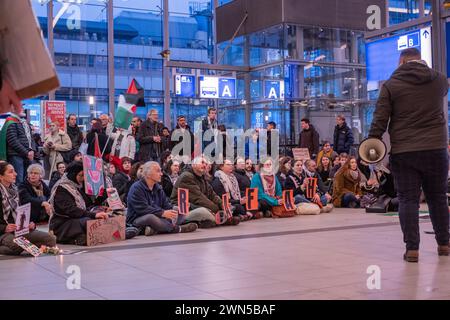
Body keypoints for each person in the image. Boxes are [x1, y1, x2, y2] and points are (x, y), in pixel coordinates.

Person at [368, 48, 449, 262]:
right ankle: (444, 244)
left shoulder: (391, 85)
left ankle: (412, 249)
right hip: (436, 148)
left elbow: (380, 118)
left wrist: (372, 144)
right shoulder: (440, 80)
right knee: (438, 198)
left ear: (401, 61)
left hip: (405, 152)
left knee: (408, 200)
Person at [126, 161, 198, 236]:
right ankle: (178, 229)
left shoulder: (158, 188)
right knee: (150, 218)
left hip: (158, 216)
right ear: (148, 174)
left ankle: (156, 229)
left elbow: (166, 205)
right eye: (158, 171)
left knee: (178, 211)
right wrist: (162, 213)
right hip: (137, 219)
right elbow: (143, 209)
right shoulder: (136, 188)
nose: (161, 174)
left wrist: (178, 208)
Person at [0, 161, 56, 255]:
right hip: (3, 232)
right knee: (18, 246)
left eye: (14, 171)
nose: (16, 174)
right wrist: (4, 228)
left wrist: (28, 223)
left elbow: (22, 212)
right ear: (1, 176)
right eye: (11, 172)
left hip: (18, 229)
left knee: (51, 239)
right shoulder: (22, 186)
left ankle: (26, 245)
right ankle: (22, 245)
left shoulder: (15, 190)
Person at [49, 161, 109, 245]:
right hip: (63, 223)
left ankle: (115, 232)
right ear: (73, 175)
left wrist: (104, 197)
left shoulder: (77, 185)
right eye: (80, 175)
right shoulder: (61, 188)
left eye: (84, 175)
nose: (83, 178)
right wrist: (93, 215)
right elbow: (71, 210)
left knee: (106, 216)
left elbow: (88, 204)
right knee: (88, 221)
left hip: (77, 218)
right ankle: (79, 238)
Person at [171, 156, 240, 227]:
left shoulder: (201, 177)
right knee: (204, 212)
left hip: (195, 206)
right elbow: (199, 198)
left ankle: (218, 219)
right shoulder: (187, 177)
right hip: (183, 209)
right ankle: (222, 220)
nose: (204, 165)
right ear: (193, 165)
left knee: (230, 208)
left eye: (206, 164)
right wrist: (216, 209)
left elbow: (213, 195)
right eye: (202, 162)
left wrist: (222, 205)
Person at [0, 112, 36, 184]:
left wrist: (32, 150)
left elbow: (31, 139)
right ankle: (17, 195)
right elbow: (13, 141)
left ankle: (24, 195)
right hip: (16, 155)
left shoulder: (25, 123)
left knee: (28, 179)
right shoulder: (11, 123)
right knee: (18, 179)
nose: (22, 110)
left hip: (27, 155)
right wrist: (27, 152)